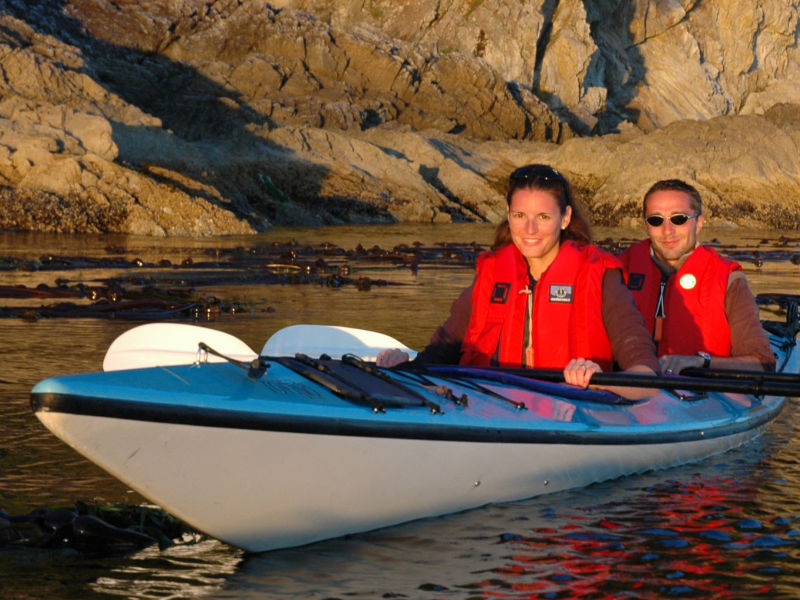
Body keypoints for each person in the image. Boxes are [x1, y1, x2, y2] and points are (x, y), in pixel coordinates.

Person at [377, 163, 659, 399]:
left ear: (565, 218)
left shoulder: (600, 275)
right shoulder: (491, 273)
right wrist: (404, 368)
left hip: (576, 409)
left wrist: (597, 381)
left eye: (543, 217)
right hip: (492, 407)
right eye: (520, 216)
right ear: (509, 216)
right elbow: (439, 356)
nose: (530, 229)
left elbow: (646, 376)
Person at [620, 179, 775, 374]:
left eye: (679, 219)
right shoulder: (617, 271)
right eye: (656, 220)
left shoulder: (728, 279)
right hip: (629, 386)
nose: (668, 231)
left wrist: (700, 362)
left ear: (699, 223)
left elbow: (762, 363)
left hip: (704, 390)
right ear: (646, 226)